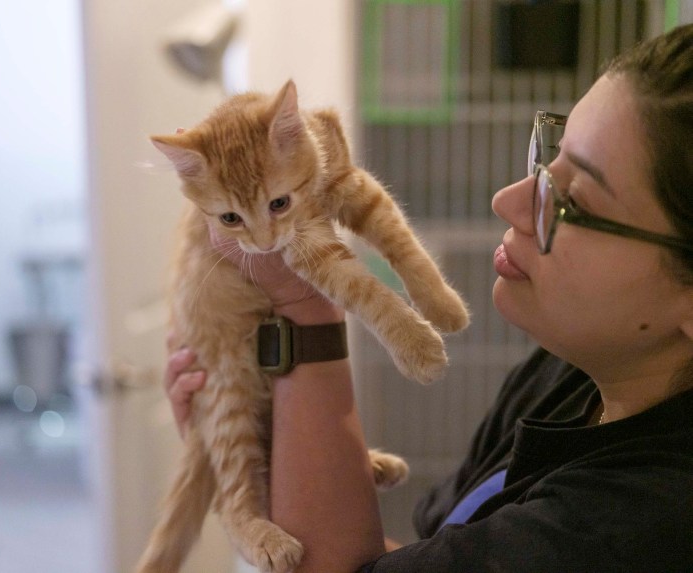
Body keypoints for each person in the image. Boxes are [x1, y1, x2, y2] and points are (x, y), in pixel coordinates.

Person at [165, 24, 693, 572]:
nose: (507, 201)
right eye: (546, 157)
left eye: (574, 200)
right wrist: (269, 452)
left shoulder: (622, 530)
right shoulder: (569, 378)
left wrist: (300, 308)